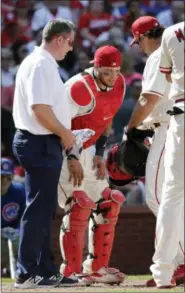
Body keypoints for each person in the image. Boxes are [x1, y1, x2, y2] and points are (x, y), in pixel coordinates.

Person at [12, 18, 79, 289]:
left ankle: (44, 270)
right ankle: (27, 272)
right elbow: (40, 109)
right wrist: (65, 133)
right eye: (70, 42)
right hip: (39, 141)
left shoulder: (41, 62)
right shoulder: (40, 64)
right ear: (60, 39)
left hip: (41, 141)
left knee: (43, 208)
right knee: (39, 209)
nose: (71, 49)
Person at [58, 45, 127, 285]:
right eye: (107, 72)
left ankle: (97, 267)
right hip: (68, 147)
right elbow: (61, 124)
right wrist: (72, 156)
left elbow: (106, 118)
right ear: (95, 67)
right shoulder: (79, 87)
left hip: (91, 148)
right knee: (78, 204)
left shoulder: (120, 84)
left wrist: (100, 153)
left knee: (110, 201)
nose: (112, 77)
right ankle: (71, 270)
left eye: (116, 71)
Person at [125, 18, 184, 288]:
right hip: (170, 123)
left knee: (160, 198)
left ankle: (177, 261)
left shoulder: (160, 52)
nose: (139, 48)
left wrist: (131, 128)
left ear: (146, 36)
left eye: (138, 42)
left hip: (169, 127)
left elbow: (148, 98)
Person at [150, 21, 184, 289]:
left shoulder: (172, 31)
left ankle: (163, 272)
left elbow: (169, 75)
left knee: (173, 193)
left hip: (182, 116)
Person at [1, 158, 26, 278]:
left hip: (13, 233)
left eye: (8, 176)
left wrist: (18, 229)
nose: (4, 180)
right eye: (1, 176)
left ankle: (19, 269)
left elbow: (24, 217)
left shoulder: (19, 190)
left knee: (21, 237)